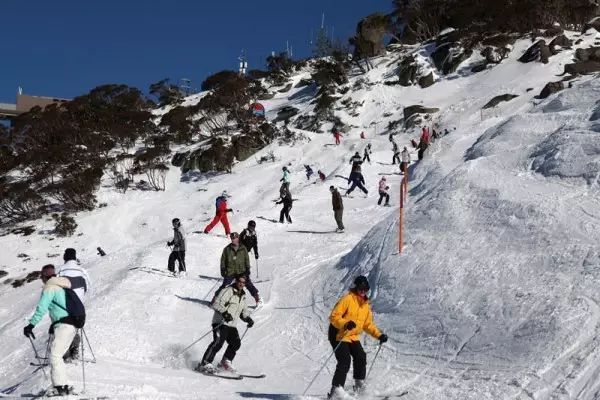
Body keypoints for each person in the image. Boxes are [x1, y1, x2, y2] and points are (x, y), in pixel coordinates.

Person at [23, 265, 87, 397]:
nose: (42, 279)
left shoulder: (50, 287)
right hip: (71, 325)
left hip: (64, 325)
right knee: (57, 356)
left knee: (55, 356)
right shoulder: (62, 286)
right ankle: (63, 385)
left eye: (42, 276)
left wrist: (31, 325)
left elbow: (42, 307)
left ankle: (60, 388)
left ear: (45, 276)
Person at [327, 276, 388, 399]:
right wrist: (345, 323)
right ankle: (336, 392)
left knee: (360, 356)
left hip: (353, 336)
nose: (363, 291)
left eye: (365, 289)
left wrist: (379, 335)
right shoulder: (347, 299)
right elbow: (334, 316)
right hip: (339, 334)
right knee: (344, 360)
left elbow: (367, 325)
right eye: (361, 288)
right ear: (356, 287)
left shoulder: (365, 306)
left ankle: (359, 386)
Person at [196, 275, 254, 374]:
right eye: (239, 281)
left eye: (243, 282)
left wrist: (248, 319)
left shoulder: (243, 296)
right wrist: (225, 313)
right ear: (236, 281)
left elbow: (243, 312)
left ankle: (225, 362)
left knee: (236, 343)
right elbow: (216, 303)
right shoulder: (228, 291)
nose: (241, 284)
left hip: (231, 325)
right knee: (218, 342)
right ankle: (205, 363)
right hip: (220, 322)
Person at [56, 248, 90, 363]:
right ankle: (74, 352)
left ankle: (65, 354)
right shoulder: (82, 271)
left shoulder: (60, 271)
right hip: (78, 308)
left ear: (65, 257)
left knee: (63, 330)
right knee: (74, 328)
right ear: (75, 257)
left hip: (64, 306)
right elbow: (88, 288)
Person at [213, 233, 261, 306]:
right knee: (224, 286)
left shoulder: (243, 248)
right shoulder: (227, 249)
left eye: (235, 238)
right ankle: (215, 300)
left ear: (238, 238)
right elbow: (223, 260)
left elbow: (246, 259)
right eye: (232, 238)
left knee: (248, 284)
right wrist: (223, 269)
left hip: (242, 270)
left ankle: (257, 298)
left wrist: (247, 268)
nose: (233, 240)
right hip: (230, 271)